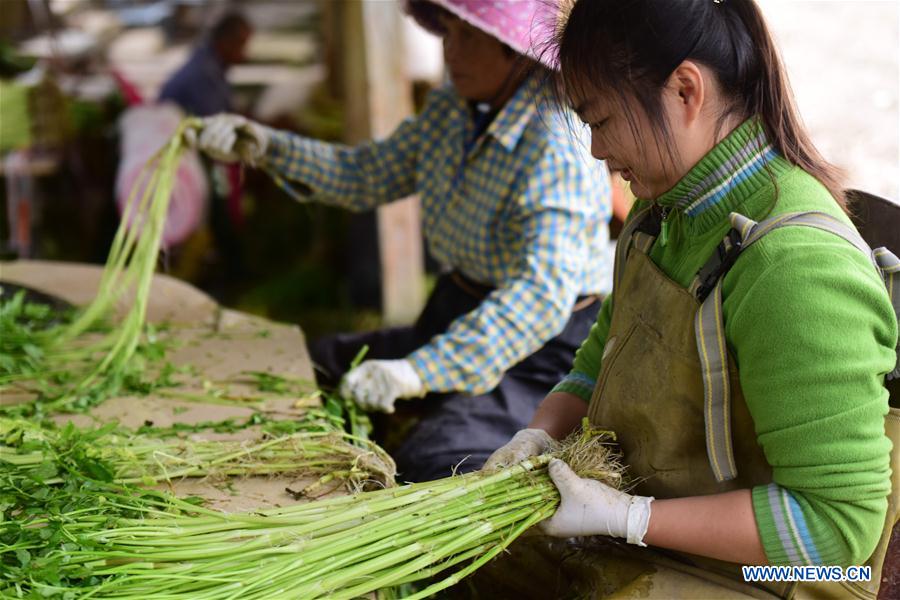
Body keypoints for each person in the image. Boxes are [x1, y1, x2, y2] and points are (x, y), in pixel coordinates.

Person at [485, 0, 899, 597]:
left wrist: (630, 519)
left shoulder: (794, 267)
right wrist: (539, 436)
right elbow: (600, 355)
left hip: (767, 577)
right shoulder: (661, 215)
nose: (598, 151)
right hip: (648, 540)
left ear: (684, 90)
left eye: (600, 121)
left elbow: (837, 529)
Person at [188, 0, 614, 483]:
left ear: (515, 53)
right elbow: (366, 173)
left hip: (539, 350)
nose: (450, 50)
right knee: (316, 368)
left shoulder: (555, 147)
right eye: (448, 33)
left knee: (436, 458)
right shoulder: (453, 109)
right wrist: (266, 148)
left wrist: (418, 373)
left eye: (468, 37)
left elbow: (535, 301)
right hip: (458, 306)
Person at [158, 11, 252, 117]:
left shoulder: (210, 64)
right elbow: (215, 119)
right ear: (226, 42)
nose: (244, 55)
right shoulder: (204, 73)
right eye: (241, 45)